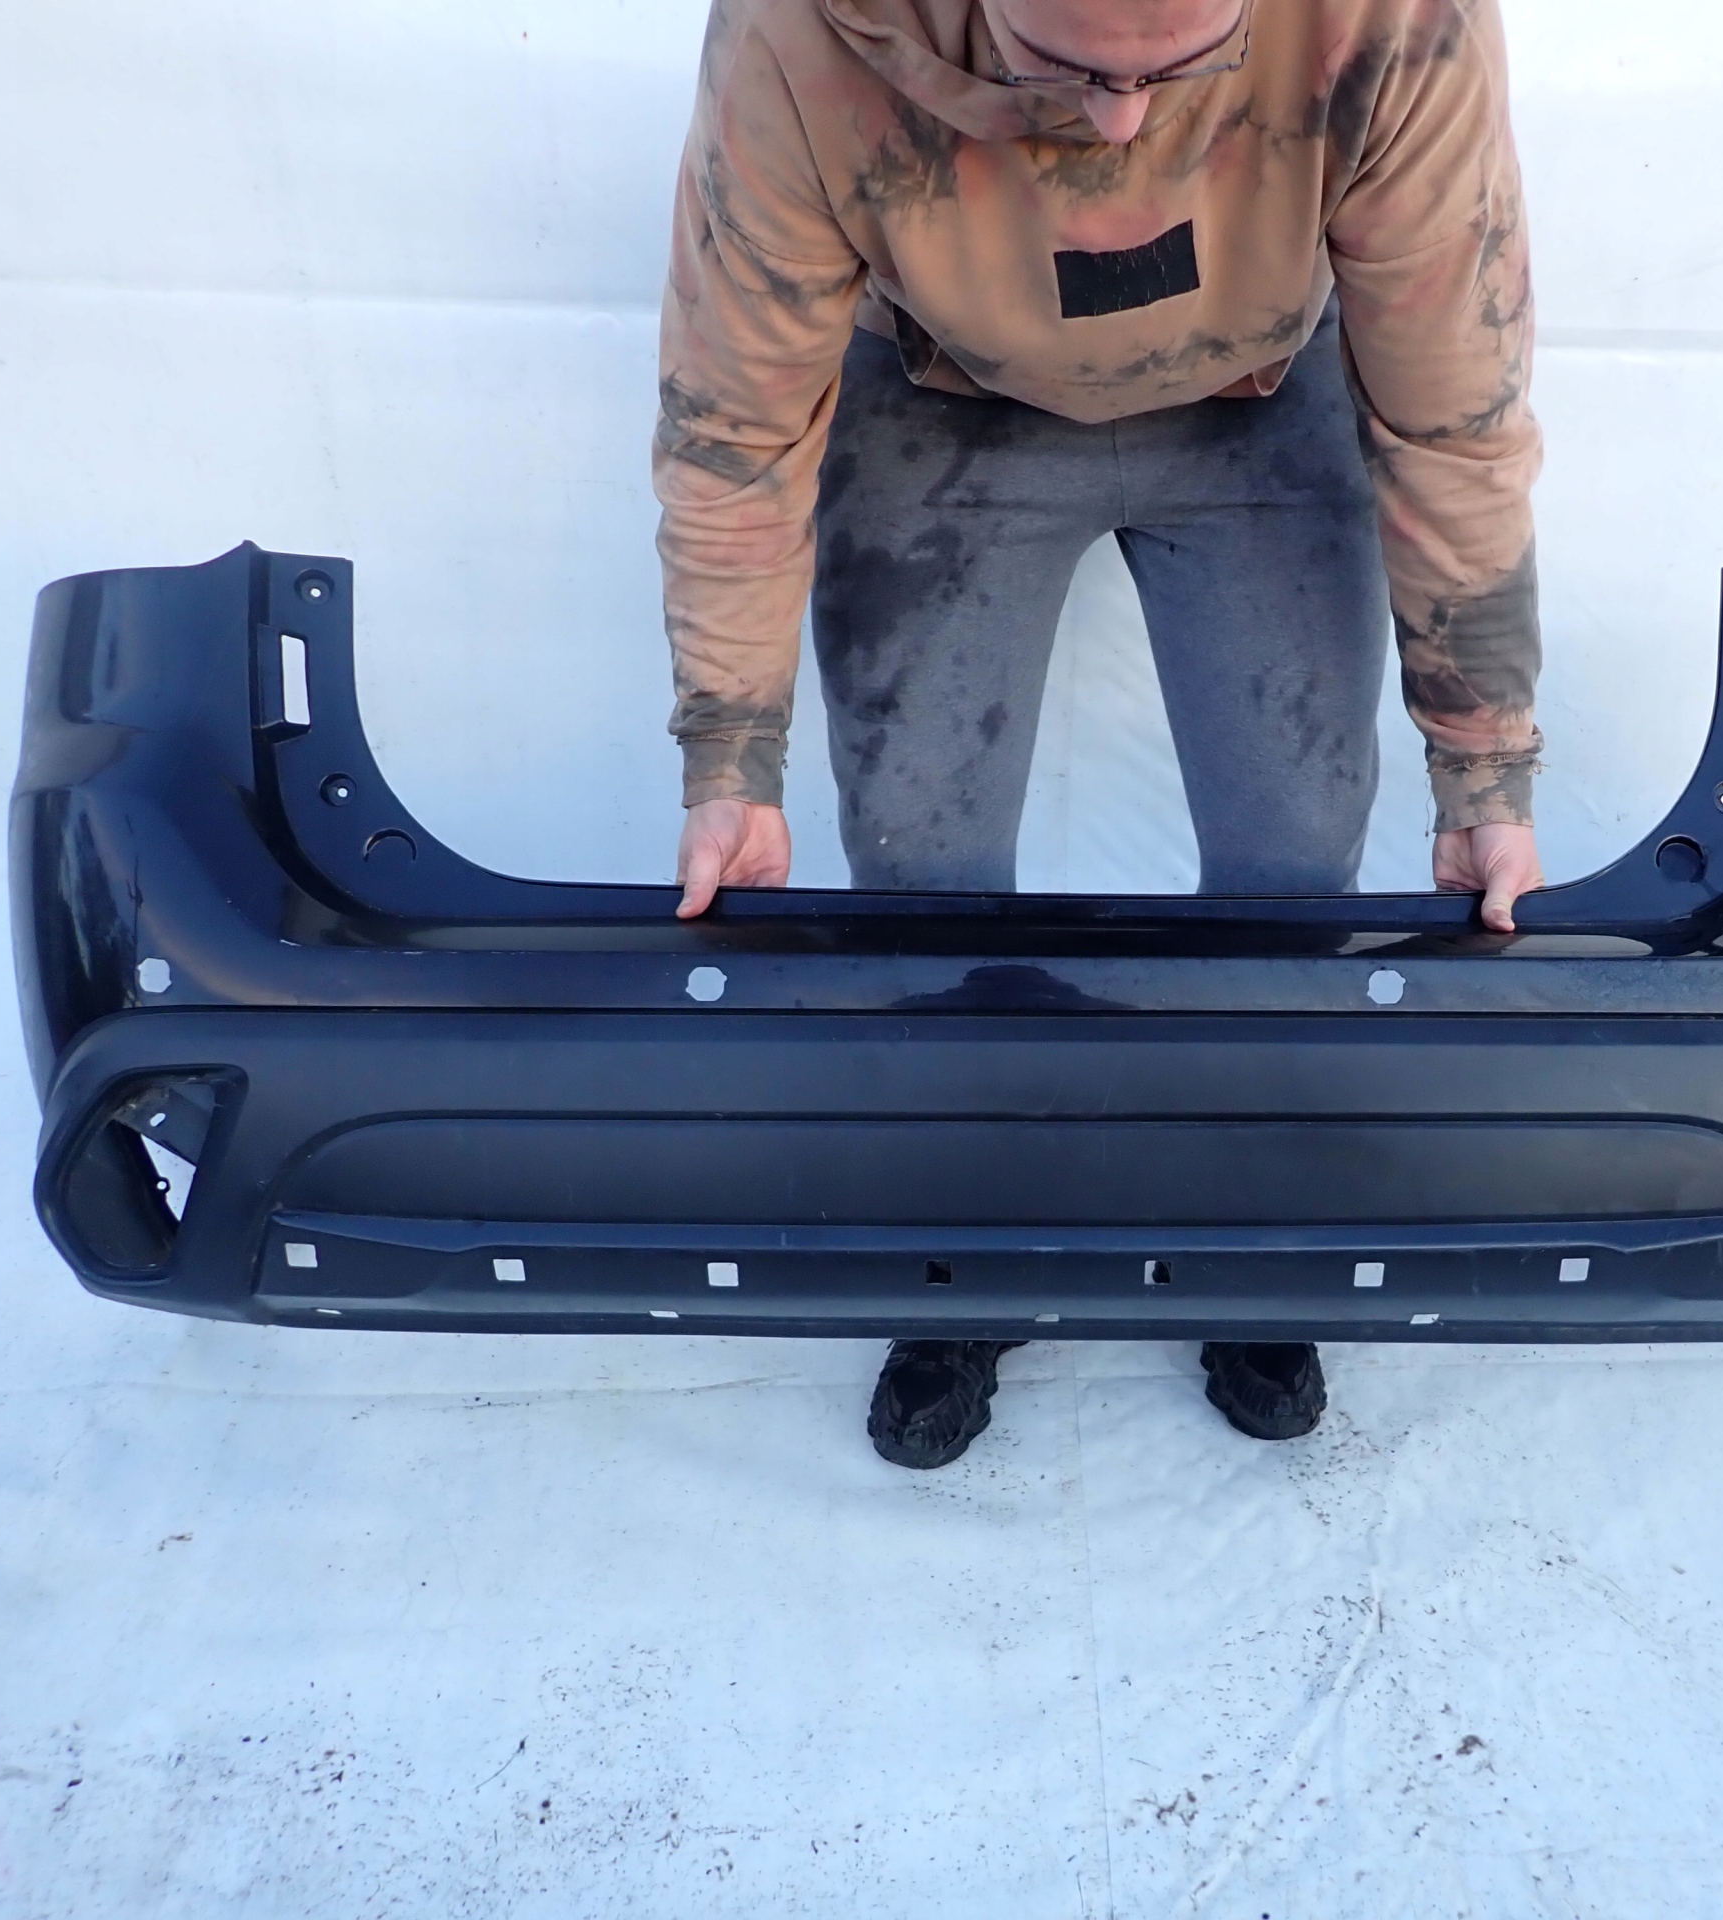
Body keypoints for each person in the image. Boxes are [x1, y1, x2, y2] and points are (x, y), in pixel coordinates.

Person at [655, 0, 1545, 1467]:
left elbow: (1455, 405)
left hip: (1261, 394)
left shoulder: (1393, 21)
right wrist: (731, 753)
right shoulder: (801, 33)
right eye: (1070, 70)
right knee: (924, 875)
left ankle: (1249, 1237)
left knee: (1291, 862)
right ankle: (962, 1248)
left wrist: (1484, 761)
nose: (1120, 122)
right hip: (943, 392)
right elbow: (733, 430)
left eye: (1170, 71)